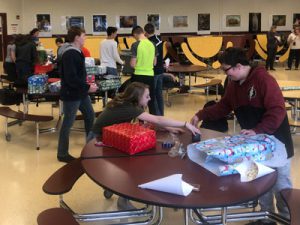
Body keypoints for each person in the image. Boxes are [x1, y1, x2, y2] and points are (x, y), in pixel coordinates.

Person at [190, 47, 294, 225]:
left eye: (226, 69)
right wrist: (200, 115)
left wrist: (257, 130)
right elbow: (223, 107)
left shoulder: (264, 80)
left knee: (281, 185)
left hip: (278, 144)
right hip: (255, 146)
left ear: (238, 66)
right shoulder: (233, 85)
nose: (225, 73)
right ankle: (266, 219)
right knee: (262, 185)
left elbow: (277, 110)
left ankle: (287, 219)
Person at [89, 81, 200, 210]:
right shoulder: (129, 108)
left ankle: (112, 187)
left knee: (128, 165)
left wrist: (169, 128)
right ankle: (121, 197)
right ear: (137, 97)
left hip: (109, 137)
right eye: (147, 96)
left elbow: (148, 121)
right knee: (134, 168)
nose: (150, 98)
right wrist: (185, 124)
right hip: (98, 140)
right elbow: (157, 119)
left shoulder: (127, 103)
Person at [57, 26, 98, 163]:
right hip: (72, 94)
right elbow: (71, 78)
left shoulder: (76, 51)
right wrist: (87, 87)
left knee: (90, 116)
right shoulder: (70, 54)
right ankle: (62, 154)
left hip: (80, 93)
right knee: (68, 123)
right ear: (76, 37)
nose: (85, 38)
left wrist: (86, 86)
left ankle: (91, 148)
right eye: (84, 35)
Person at [130, 26, 157, 115]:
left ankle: (141, 122)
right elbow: (154, 63)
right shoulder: (152, 44)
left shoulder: (135, 45)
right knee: (150, 99)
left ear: (135, 34)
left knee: (138, 100)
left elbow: (132, 64)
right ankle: (155, 121)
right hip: (150, 75)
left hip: (138, 76)